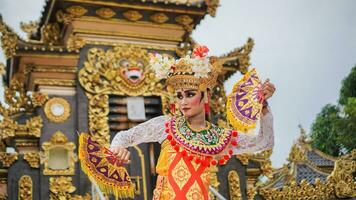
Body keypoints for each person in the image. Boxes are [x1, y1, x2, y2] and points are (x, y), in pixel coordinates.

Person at [110, 46, 276, 200]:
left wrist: (264, 108)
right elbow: (123, 137)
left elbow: (264, 142)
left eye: (190, 95)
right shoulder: (165, 126)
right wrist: (117, 148)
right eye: (180, 96)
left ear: (206, 96)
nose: (183, 102)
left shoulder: (218, 137)